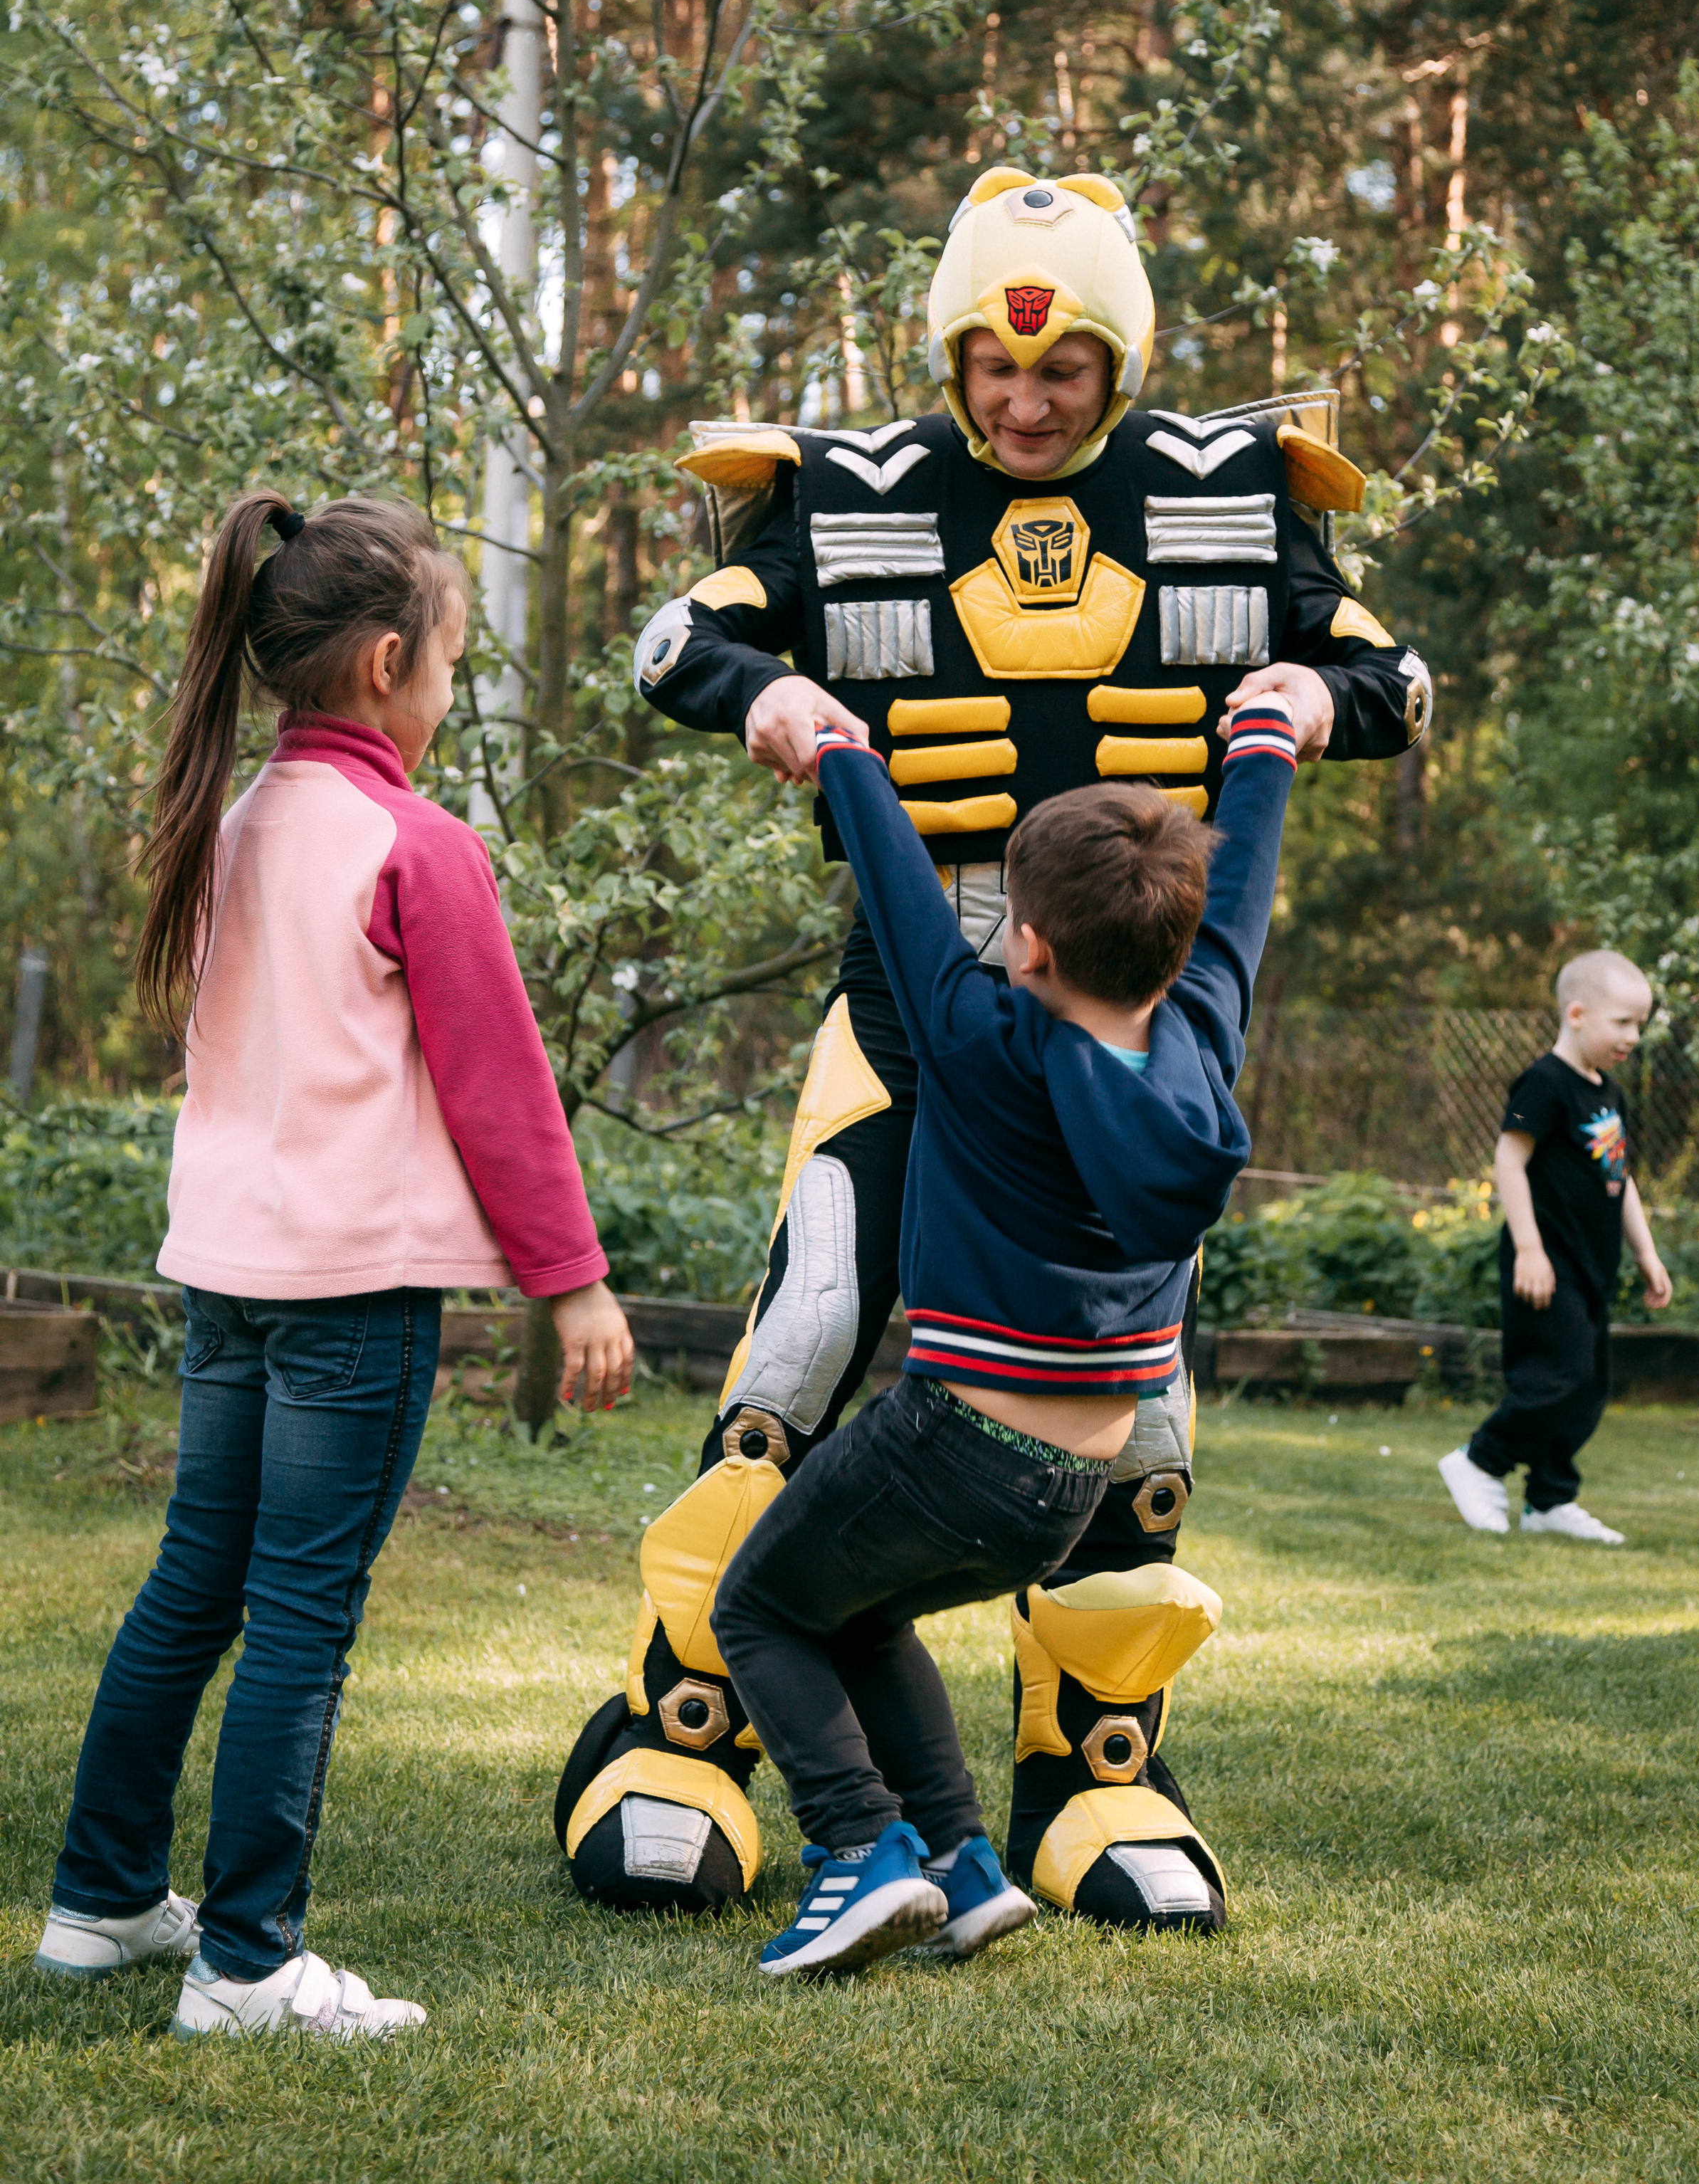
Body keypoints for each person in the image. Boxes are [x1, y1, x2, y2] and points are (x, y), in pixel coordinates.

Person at [557, 162, 1431, 1929]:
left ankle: (1090, 1769)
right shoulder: (853, 500)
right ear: (951, 349)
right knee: (800, 1343)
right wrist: (769, 689)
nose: (1023, 399)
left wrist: (1315, 700)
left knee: (1146, 1405)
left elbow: (1394, 679)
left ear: (1118, 361)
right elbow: (673, 641)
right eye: (993, 362)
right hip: (911, 1023)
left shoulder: (1222, 501)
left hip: (1116, 1026)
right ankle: (681, 1726)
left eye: (1062, 367)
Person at [33, 492, 633, 2039]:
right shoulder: (415, 848)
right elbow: (501, 1090)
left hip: (227, 1278)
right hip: (349, 1296)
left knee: (196, 1585)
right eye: (445, 665)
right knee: (300, 1610)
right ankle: (247, 1965)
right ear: (383, 666)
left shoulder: (237, 824)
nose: (445, 694)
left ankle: (101, 1903)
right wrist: (572, 1280)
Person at [706, 695, 1300, 1978]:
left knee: (756, 1602)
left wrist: (841, 750)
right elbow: (1240, 886)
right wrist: (1264, 745)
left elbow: (902, 889)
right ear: (1183, 939)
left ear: (1025, 942)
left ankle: (858, 1848)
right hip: (1078, 1485)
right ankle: (965, 1870)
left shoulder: (979, 1038)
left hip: (954, 1437)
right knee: (852, 1611)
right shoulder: (1205, 1028)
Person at [1439, 950, 1672, 1545]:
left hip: (1594, 1268)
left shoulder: (1608, 1094)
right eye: (1623, 1022)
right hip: (1547, 1266)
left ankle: (1550, 1499)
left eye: (1640, 1024)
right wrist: (1530, 1250)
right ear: (1576, 1013)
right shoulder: (1543, 1082)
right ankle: (1480, 1460)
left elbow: (1621, 1180)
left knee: (1589, 1387)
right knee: (1555, 1377)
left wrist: (1646, 1254)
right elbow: (1509, 1162)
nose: (1634, 1036)